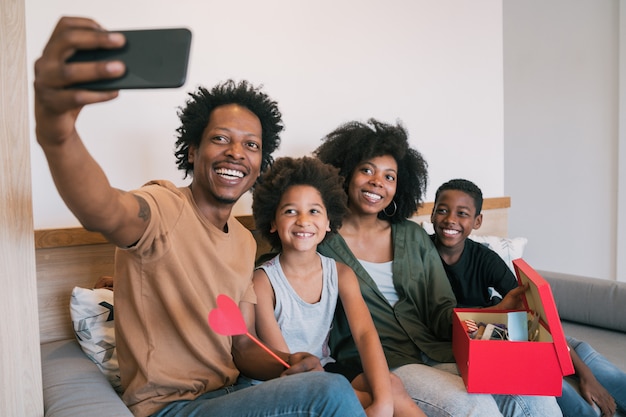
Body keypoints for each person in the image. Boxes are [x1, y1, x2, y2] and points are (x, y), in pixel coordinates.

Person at [34, 16, 367, 417]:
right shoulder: (162, 208)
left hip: (231, 394)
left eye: (251, 145)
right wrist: (56, 129)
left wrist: (288, 363)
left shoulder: (244, 242)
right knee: (332, 394)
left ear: (260, 164)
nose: (236, 153)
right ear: (193, 151)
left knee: (324, 384)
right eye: (220, 139)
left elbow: (241, 346)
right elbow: (102, 209)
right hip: (170, 408)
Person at [314, 118, 563, 417]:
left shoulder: (412, 235)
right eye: (367, 170)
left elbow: (442, 313)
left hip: (439, 350)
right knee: (475, 407)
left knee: (536, 394)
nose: (378, 182)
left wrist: (496, 312)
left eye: (389, 176)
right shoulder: (321, 242)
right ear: (345, 172)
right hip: (384, 365)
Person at [430, 178, 626, 417]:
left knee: (580, 350)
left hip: (510, 328)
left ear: (477, 221)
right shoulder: (420, 255)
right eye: (442, 210)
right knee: (552, 377)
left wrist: (587, 376)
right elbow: (442, 321)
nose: (450, 219)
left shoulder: (484, 258)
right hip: (481, 342)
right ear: (431, 214)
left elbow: (534, 314)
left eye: (462, 213)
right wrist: (500, 309)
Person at [252, 156, 426, 417]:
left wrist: (383, 402)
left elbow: (366, 335)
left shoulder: (341, 273)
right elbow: (285, 361)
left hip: (326, 368)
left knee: (390, 386)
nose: (303, 220)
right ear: (273, 223)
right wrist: (372, 404)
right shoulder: (263, 281)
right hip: (287, 378)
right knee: (356, 399)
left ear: (329, 221)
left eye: (314, 211)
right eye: (290, 211)